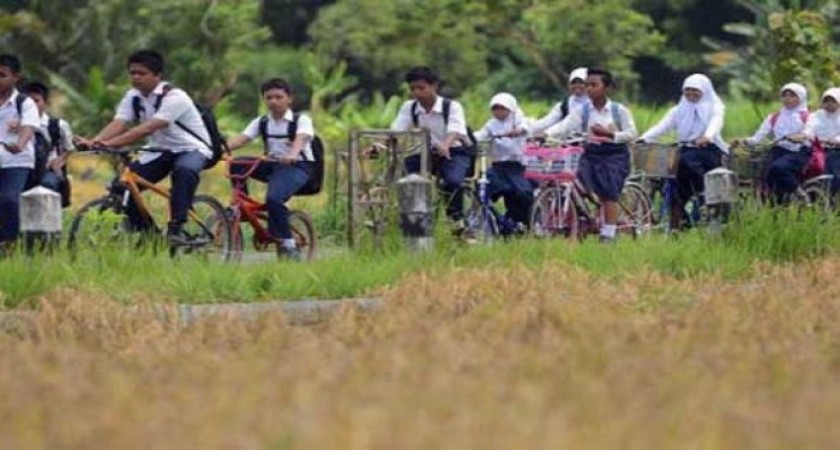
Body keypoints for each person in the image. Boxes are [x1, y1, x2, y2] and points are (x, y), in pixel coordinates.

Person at [75, 50, 212, 245]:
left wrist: (110, 143)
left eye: (142, 73)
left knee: (184, 170)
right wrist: (95, 141)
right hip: (159, 150)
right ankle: (150, 237)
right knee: (122, 187)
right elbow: (119, 122)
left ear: (158, 76)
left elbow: (147, 128)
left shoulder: (175, 97)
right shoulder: (133, 96)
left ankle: (177, 227)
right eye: (132, 73)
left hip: (191, 149)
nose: (136, 77)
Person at [542, 68, 638, 243]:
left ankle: (608, 233)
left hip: (614, 155)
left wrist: (610, 135)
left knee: (609, 190)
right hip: (590, 153)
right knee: (577, 179)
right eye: (587, 85)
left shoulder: (619, 111)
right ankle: (584, 218)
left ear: (606, 88)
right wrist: (545, 134)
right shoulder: (583, 110)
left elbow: (632, 133)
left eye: (594, 85)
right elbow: (565, 125)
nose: (589, 89)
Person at [225, 78, 315, 260]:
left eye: (278, 97)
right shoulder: (262, 121)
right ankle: (241, 205)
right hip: (272, 164)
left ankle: (288, 244)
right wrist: (216, 151)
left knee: (274, 199)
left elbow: (301, 138)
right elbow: (242, 139)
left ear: (289, 99)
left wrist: (292, 154)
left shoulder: (301, 120)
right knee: (237, 163)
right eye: (269, 98)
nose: (273, 101)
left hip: (297, 166)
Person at [639, 73, 728, 228]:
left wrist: (707, 136)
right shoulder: (679, 110)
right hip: (685, 149)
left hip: (708, 149)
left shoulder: (715, 107)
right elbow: (662, 126)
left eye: (695, 90)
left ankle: (704, 194)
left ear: (704, 91)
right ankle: (679, 220)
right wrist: (644, 138)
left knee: (684, 161)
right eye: (687, 90)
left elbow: (716, 122)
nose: (690, 93)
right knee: (671, 178)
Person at [390, 66, 471, 230]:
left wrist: (446, 145)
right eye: (412, 89)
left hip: (454, 152)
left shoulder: (452, 106)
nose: (416, 93)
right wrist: (377, 147)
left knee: (453, 182)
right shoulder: (410, 107)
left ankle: (457, 222)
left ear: (434, 86)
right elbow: (396, 131)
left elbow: (455, 130)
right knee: (402, 173)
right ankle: (414, 218)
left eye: (421, 88)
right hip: (428, 153)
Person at [739, 83, 810, 203]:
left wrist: (799, 137)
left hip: (799, 152)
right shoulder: (775, 117)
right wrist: (746, 141)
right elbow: (758, 137)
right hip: (778, 150)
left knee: (778, 168)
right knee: (763, 171)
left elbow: (810, 133)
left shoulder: (807, 117)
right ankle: (775, 202)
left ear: (801, 98)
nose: (787, 99)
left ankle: (799, 193)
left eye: (792, 96)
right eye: (784, 95)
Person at [473, 93, 533, 228]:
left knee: (523, 193)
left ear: (510, 108)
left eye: (502, 108)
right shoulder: (491, 124)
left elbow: (526, 127)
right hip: (498, 167)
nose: (498, 112)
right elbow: (481, 135)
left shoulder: (519, 120)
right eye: (495, 108)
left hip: (518, 167)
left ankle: (526, 221)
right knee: (482, 187)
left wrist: (517, 131)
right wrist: (467, 136)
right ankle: (487, 220)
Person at [0, 54, 40, 253]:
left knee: (9, 199)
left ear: (16, 77)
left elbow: (29, 127)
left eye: (2, 75)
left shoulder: (24, 103)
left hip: (16, 160)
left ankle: (10, 243)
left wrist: (20, 144)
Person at [20, 81, 75, 205]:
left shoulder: (57, 126)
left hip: (48, 169)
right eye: (28, 101)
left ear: (46, 103)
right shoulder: (16, 124)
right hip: (24, 168)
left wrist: (59, 161)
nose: (32, 105)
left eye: (36, 101)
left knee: (47, 187)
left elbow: (69, 148)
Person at [799, 88, 840, 194]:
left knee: (834, 172)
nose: (829, 104)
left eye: (833, 101)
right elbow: (809, 129)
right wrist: (805, 135)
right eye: (826, 101)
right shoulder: (815, 115)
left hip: (836, 150)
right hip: (818, 149)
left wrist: (835, 140)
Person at [528, 67, 589, 137]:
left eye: (581, 83)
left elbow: (568, 124)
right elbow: (546, 122)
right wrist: (525, 129)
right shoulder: (564, 105)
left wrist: (546, 134)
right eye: (573, 83)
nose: (577, 86)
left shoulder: (593, 103)